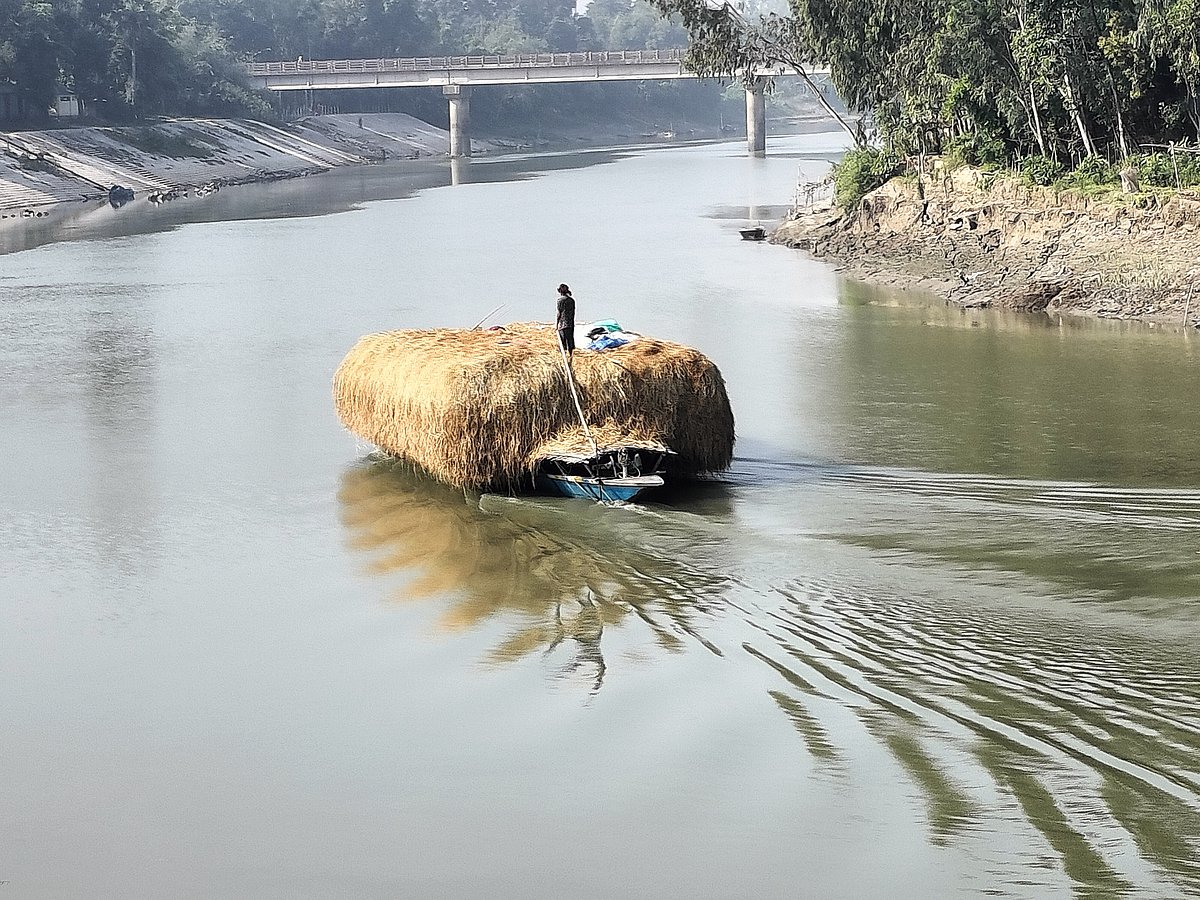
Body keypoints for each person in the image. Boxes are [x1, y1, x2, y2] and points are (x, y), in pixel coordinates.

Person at [555, 283, 576, 356]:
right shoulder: (572, 300)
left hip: (563, 324)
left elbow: (559, 313)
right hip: (570, 324)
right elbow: (573, 312)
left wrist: (557, 324)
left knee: (563, 341)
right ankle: (570, 355)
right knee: (570, 341)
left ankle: (563, 355)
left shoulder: (560, 300)